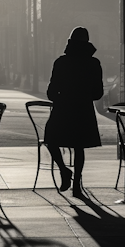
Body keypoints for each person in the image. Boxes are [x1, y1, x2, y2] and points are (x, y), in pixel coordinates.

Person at [44, 26, 104, 198]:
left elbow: (51, 92)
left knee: (51, 139)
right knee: (79, 146)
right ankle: (77, 185)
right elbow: (98, 93)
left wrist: (61, 96)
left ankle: (64, 170)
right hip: (83, 109)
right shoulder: (94, 64)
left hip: (63, 108)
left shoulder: (61, 62)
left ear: (69, 42)